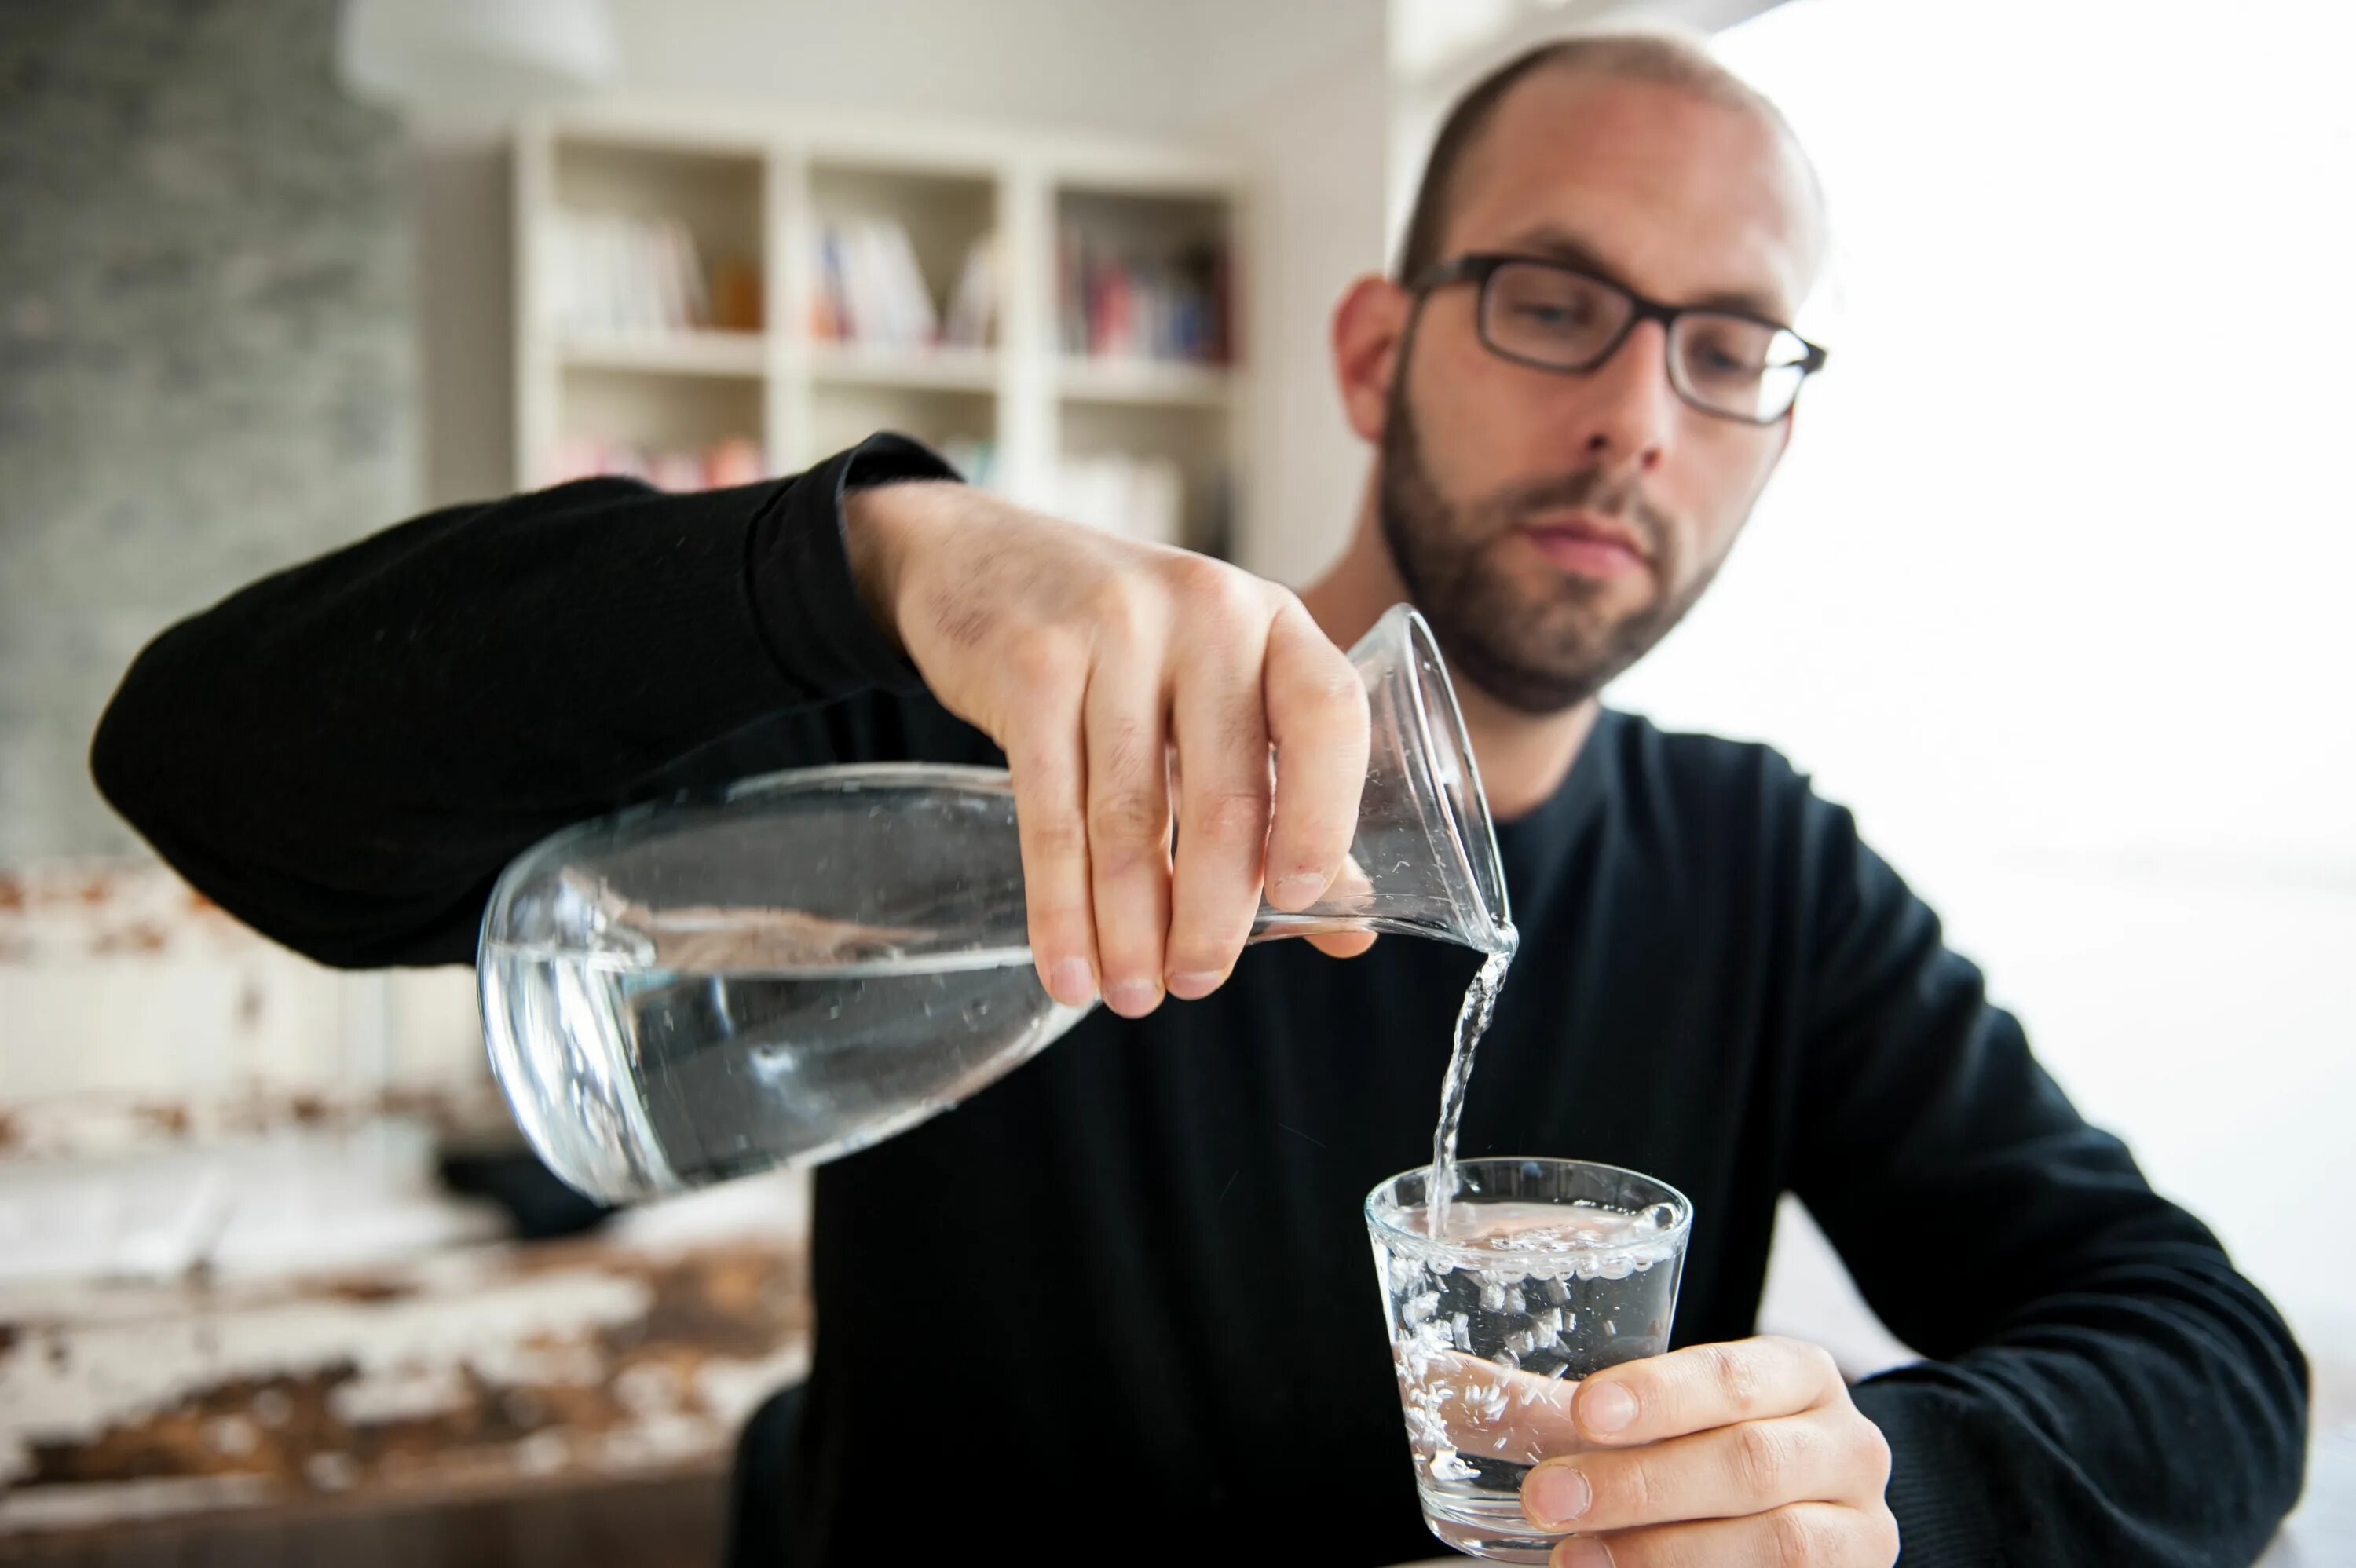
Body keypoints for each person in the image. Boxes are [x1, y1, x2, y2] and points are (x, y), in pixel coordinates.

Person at [90, 31, 2306, 1568]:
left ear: (1774, 433)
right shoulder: (989, 726)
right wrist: (869, 557)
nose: (1641, 414)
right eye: (1558, 303)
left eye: (1730, 350)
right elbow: (215, 777)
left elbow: (2206, 1361)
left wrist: (1883, 1488)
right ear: (1373, 348)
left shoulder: (1768, 868)